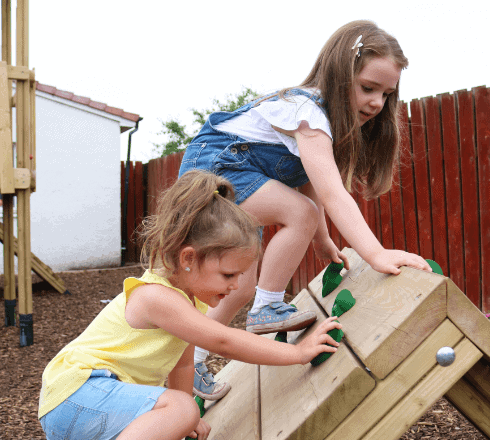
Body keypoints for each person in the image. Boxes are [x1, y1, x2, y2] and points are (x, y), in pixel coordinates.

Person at [178, 20, 433, 400]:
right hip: (218, 168)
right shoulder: (307, 110)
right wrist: (375, 253)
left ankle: (192, 360)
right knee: (297, 215)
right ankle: (267, 308)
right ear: (338, 74)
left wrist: (323, 240)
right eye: (367, 88)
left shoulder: (323, 121)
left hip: (237, 172)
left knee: (241, 282)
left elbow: (309, 184)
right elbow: (331, 194)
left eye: (386, 93)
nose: (377, 103)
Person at [38, 170, 342, 440]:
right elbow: (223, 341)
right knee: (183, 407)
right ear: (187, 259)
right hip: (79, 393)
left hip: (91, 401)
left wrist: (182, 423)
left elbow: (182, 365)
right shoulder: (157, 297)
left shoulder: (185, 303)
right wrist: (298, 353)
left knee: (183, 409)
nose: (235, 285)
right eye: (228, 274)